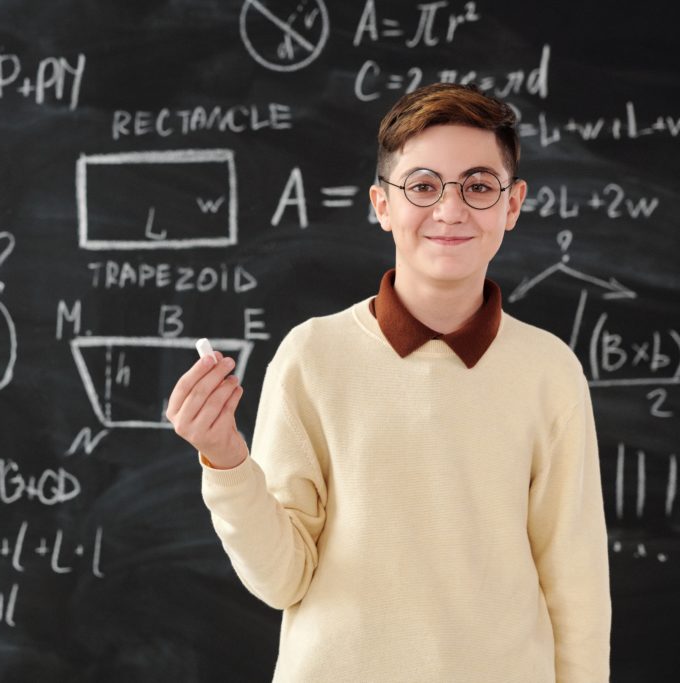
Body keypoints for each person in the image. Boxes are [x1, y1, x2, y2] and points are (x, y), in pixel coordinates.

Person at [166, 82, 611, 682]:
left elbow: (575, 584)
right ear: (382, 205)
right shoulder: (311, 357)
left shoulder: (548, 370)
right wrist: (224, 461)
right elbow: (282, 579)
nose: (450, 210)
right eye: (423, 186)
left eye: (478, 186)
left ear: (512, 204)